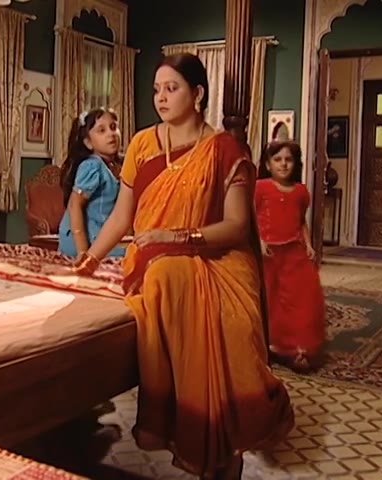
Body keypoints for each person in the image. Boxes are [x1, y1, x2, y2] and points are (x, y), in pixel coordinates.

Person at [68, 54, 294, 479]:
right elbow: (122, 216)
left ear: (198, 93)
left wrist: (178, 237)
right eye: (156, 90)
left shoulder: (225, 150)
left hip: (219, 258)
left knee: (230, 321)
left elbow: (236, 226)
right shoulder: (142, 144)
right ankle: (197, 429)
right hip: (156, 259)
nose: (161, 98)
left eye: (171, 88)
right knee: (163, 276)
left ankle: (224, 445)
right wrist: (92, 258)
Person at [255, 141, 326, 372]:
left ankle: (299, 347)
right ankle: (274, 345)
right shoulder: (260, 187)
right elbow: (251, 217)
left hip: (294, 252)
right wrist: (260, 240)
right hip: (269, 254)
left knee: (303, 297)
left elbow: (300, 221)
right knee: (272, 300)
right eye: (277, 160)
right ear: (268, 164)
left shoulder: (300, 192)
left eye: (288, 160)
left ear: (295, 163)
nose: (283, 164)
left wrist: (309, 244)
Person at [58, 108, 125, 258]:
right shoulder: (92, 166)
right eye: (101, 130)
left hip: (102, 233)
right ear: (88, 143)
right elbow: (74, 205)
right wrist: (83, 252)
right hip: (84, 238)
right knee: (135, 255)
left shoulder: (116, 165)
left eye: (113, 127)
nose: (111, 134)